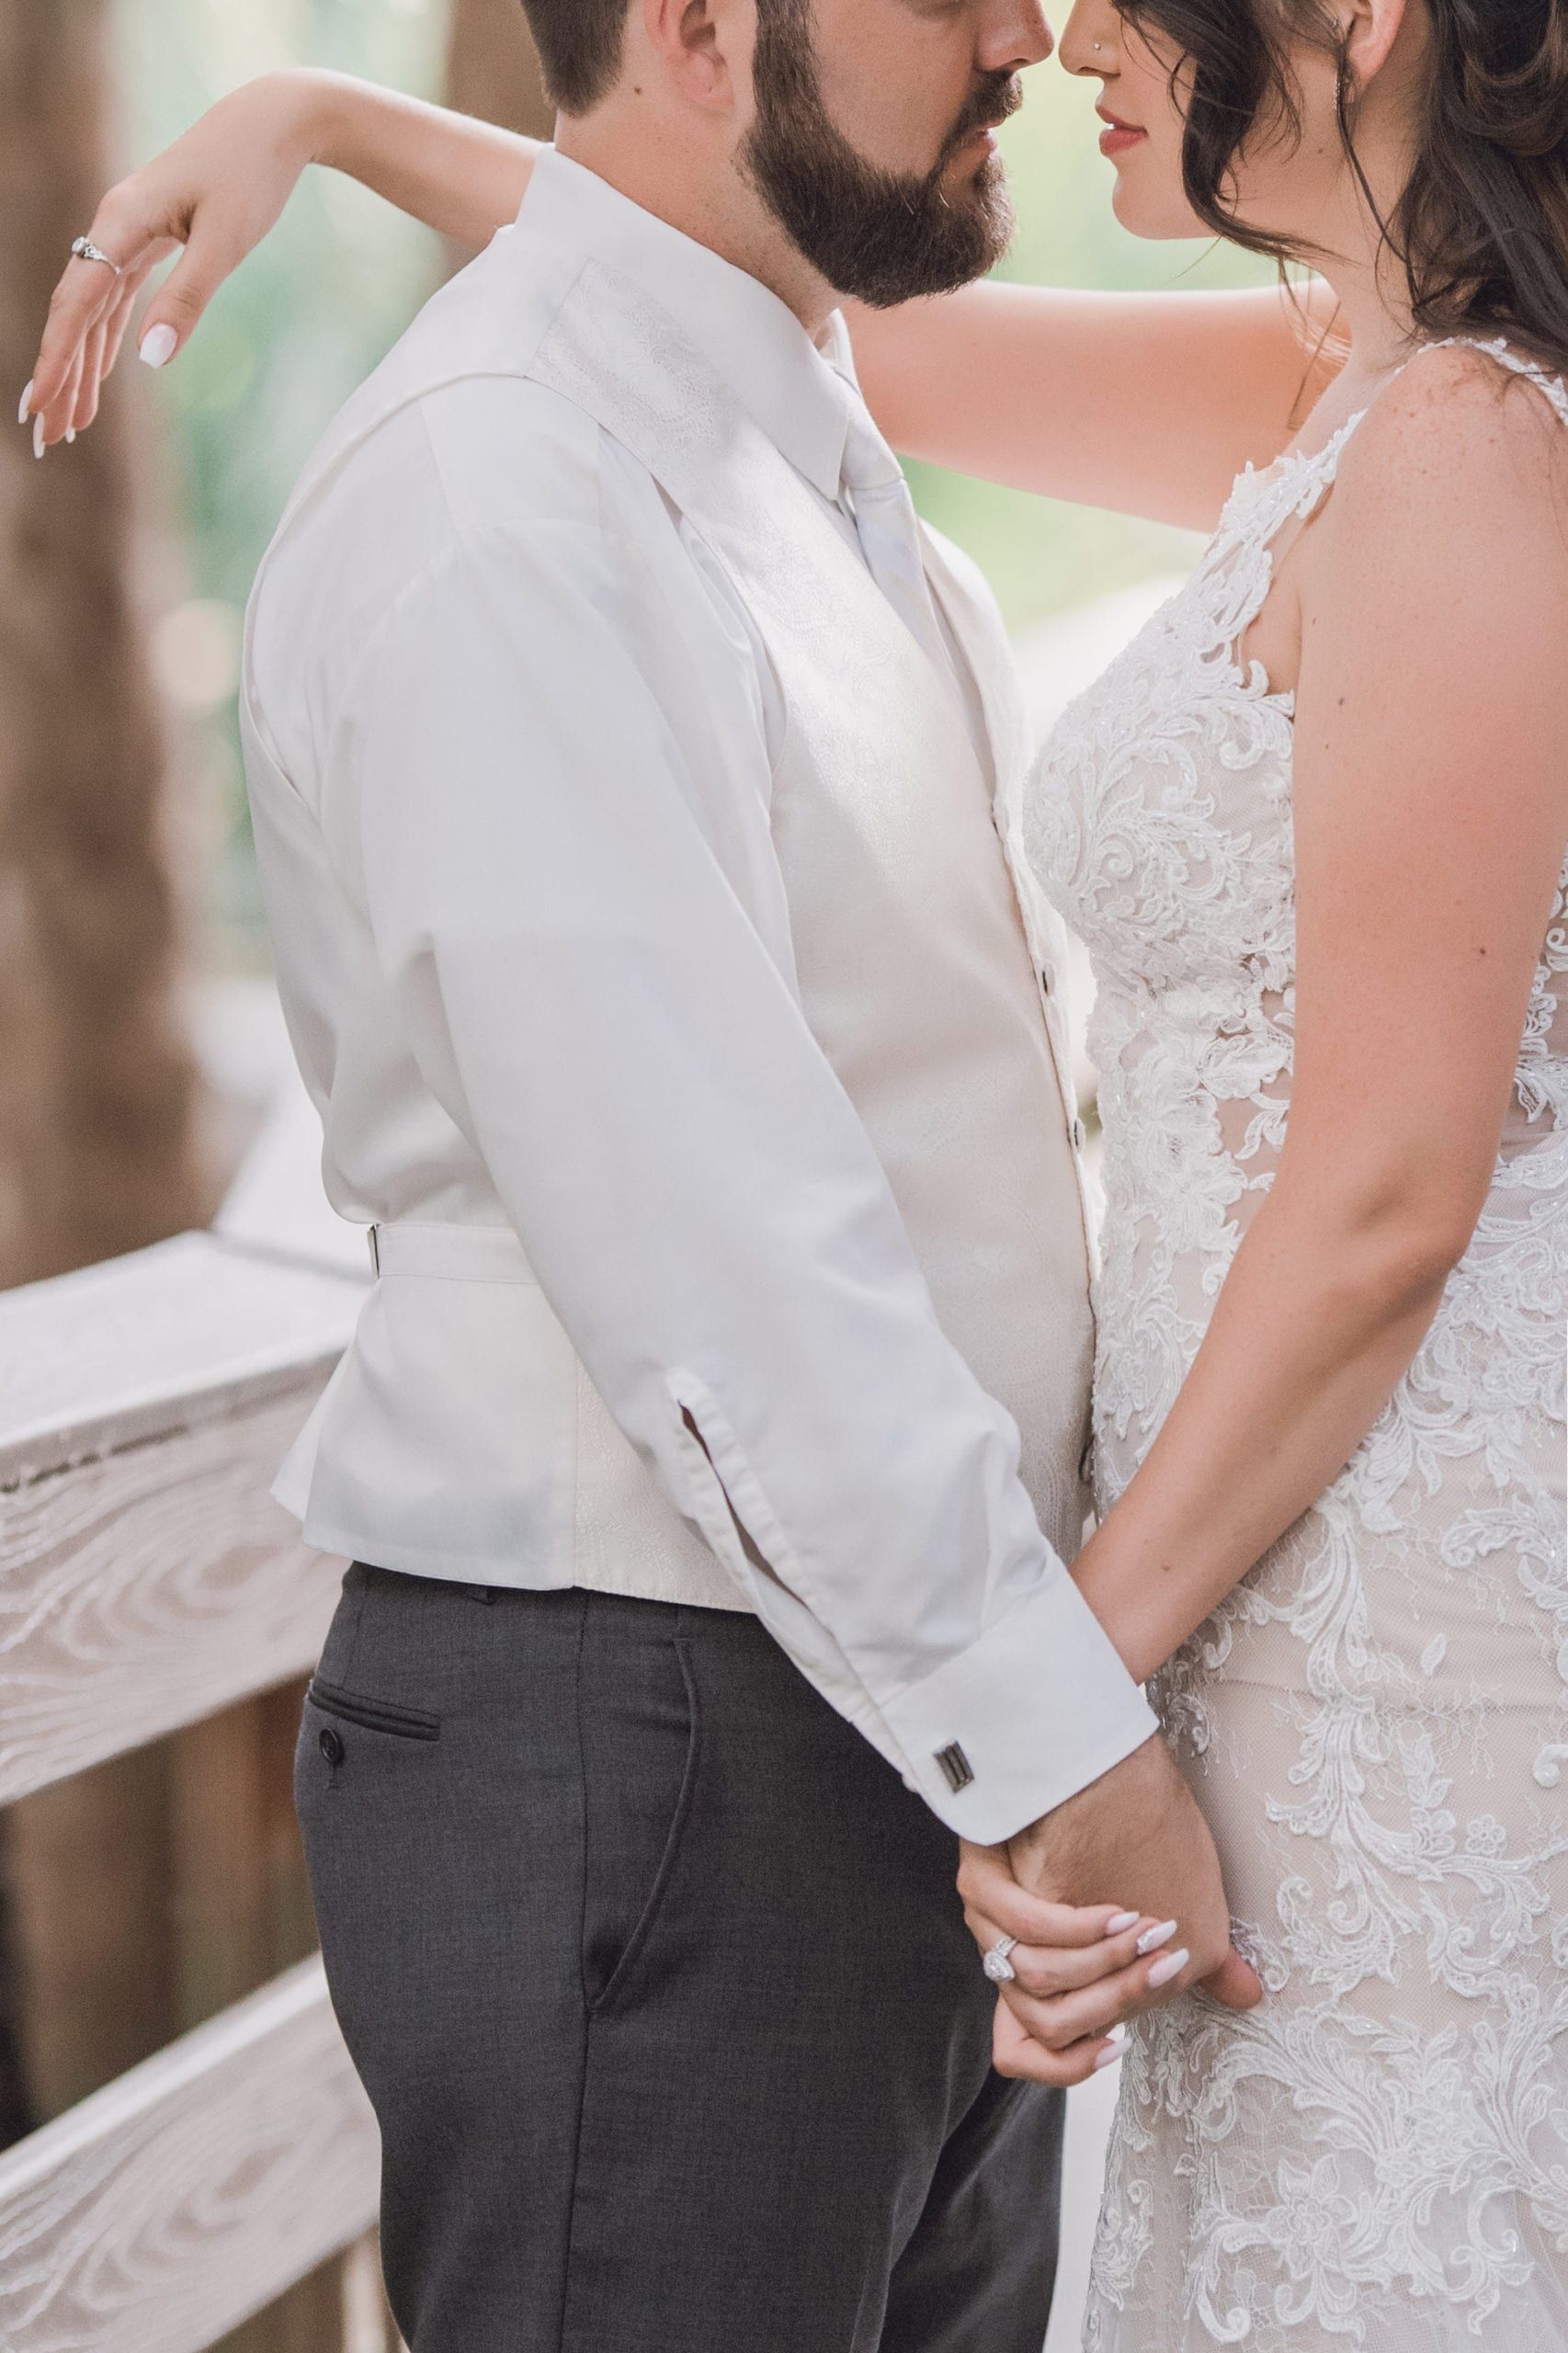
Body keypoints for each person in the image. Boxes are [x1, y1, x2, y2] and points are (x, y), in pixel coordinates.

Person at [27, 0, 1568, 2344]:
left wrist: (1055, 1692)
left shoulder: (1440, 433)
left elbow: (1381, 1189)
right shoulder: (1317, 403)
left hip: (1255, 1672)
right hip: (840, 1717)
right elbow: (735, 271)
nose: (1055, 34)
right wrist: (336, 122)